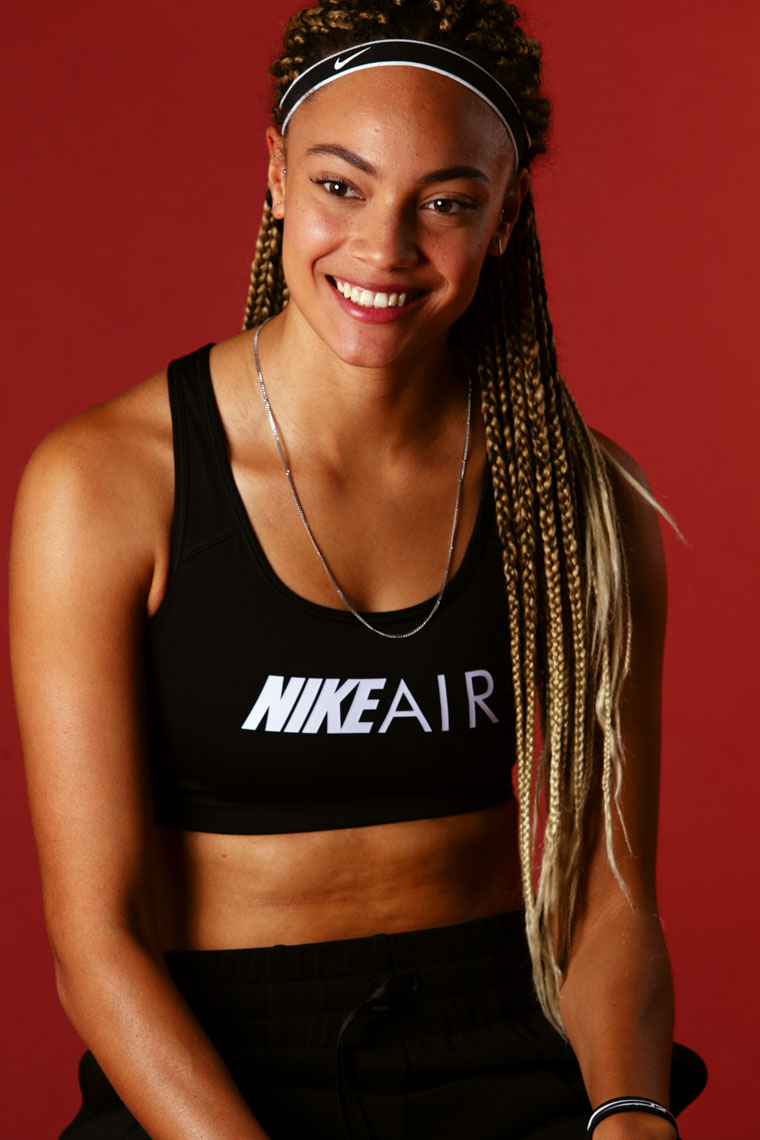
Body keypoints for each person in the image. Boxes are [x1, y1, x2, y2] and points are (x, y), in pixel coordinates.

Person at [9, 0, 707, 1137]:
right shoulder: (106, 486)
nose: (384, 250)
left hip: (503, 1045)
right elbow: (96, 944)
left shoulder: (574, 497)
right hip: (210, 1068)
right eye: (342, 186)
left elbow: (607, 898)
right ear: (276, 174)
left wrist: (630, 1113)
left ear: (505, 214)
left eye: (445, 203)